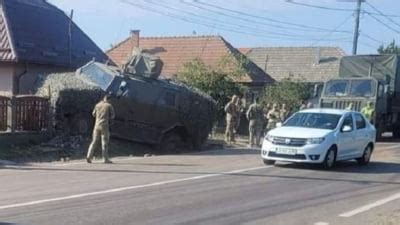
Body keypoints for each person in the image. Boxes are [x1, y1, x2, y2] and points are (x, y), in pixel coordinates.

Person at [86, 94, 115, 164]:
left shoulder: (97, 105)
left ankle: (89, 156)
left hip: (96, 126)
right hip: (104, 126)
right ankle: (105, 159)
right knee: (104, 143)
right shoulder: (109, 106)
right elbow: (113, 116)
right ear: (109, 99)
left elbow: (93, 114)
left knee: (94, 141)